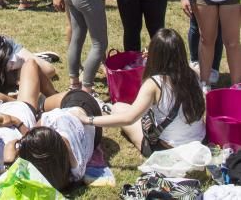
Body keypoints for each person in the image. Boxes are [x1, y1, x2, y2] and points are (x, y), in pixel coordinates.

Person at [84, 29, 205, 157]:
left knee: (118, 108)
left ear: (154, 54)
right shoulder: (194, 73)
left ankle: (106, 109)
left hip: (168, 149)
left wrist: (88, 120)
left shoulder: (154, 84)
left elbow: (128, 118)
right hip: (198, 141)